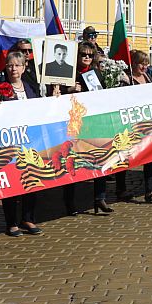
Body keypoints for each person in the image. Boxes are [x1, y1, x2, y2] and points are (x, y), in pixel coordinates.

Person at [0, 51, 44, 236]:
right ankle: (11, 222)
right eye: (10, 65)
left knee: (31, 179)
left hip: (30, 140)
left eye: (17, 65)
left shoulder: (29, 87)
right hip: (9, 142)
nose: (13, 69)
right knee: (12, 181)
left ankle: (28, 218)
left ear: (24, 67)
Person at [62, 43, 118, 214]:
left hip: (94, 123)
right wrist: (69, 90)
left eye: (90, 55)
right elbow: (56, 97)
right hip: (74, 124)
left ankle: (99, 198)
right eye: (83, 54)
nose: (86, 57)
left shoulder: (96, 74)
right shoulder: (69, 74)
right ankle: (70, 203)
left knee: (99, 159)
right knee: (72, 162)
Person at [117, 49, 152, 204]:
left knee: (151, 156)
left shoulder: (147, 77)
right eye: (140, 64)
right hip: (130, 126)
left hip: (147, 124)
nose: (144, 67)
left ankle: (151, 191)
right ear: (133, 64)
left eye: (146, 64)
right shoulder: (126, 79)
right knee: (125, 156)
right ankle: (121, 189)